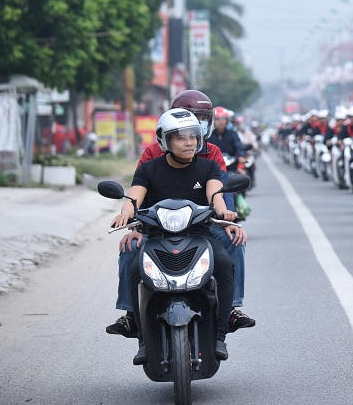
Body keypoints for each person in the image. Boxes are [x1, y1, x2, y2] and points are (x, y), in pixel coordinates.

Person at [107, 92, 255, 341]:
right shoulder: (150, 161)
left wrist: (227, 218)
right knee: (130, 249)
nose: (188, 141)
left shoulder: (210, 159)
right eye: (180, 135)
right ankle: (132, 316)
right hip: (156, 226)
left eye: (194, 131)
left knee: (233, 243)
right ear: (166, 138)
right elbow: (135, 197)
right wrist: (129, 219)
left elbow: (218, 192)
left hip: (200, 225)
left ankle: (229, 311)